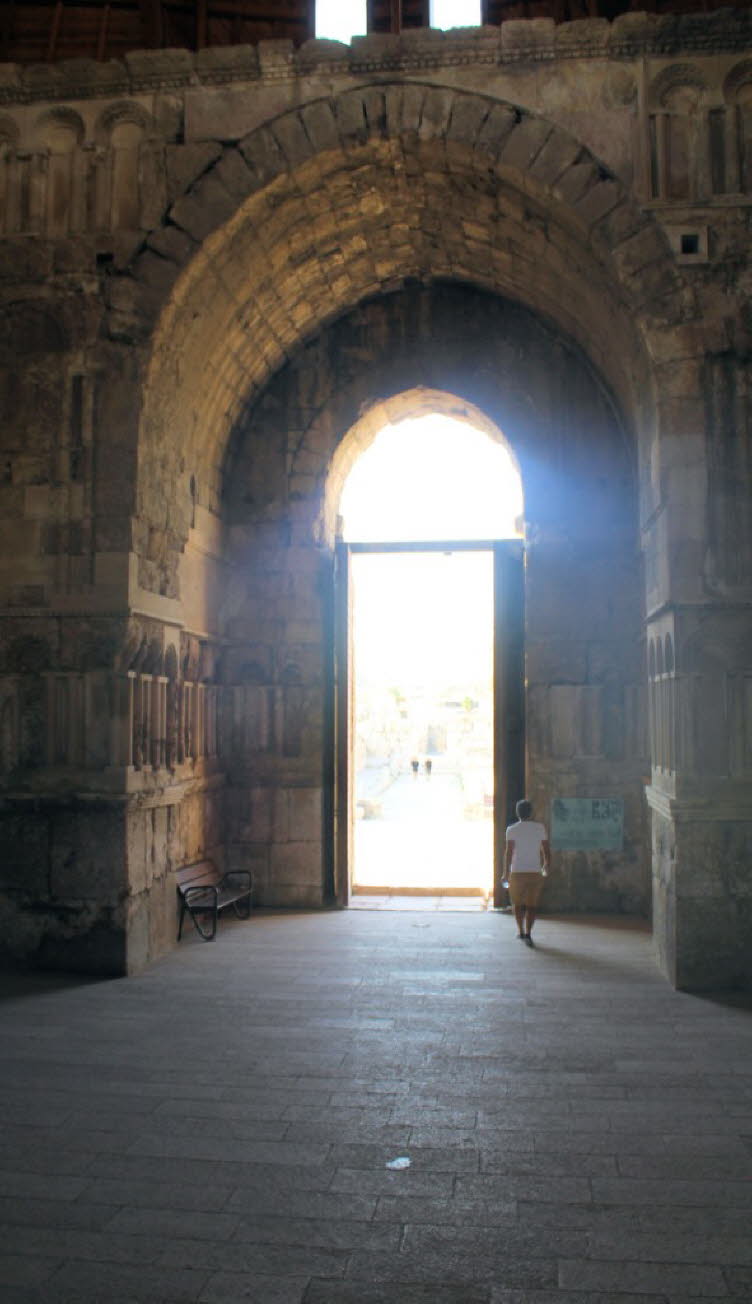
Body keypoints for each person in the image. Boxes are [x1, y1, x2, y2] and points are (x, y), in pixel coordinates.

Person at [504, 798, 550, 946]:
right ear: (531, 812)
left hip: (517, 872)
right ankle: (529, 933)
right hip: (535, 871)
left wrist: (505, 873)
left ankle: (520, 931)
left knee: (517, 904)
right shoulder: (540, 828)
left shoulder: (511, 830)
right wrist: (546, 865)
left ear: (517, 813)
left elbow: (509, 853)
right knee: (532, 906)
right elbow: (546, 851)